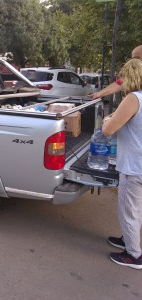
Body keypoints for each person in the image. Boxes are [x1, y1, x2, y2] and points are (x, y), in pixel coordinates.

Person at [102, 58, 142, 269]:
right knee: (136, 209)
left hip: (134, 166)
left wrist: (108, 120)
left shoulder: (133, 98)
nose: (121, 82)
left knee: (128, 210)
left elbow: (108, 130)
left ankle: (133, 255)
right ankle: (129, 239)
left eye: (123, 77)